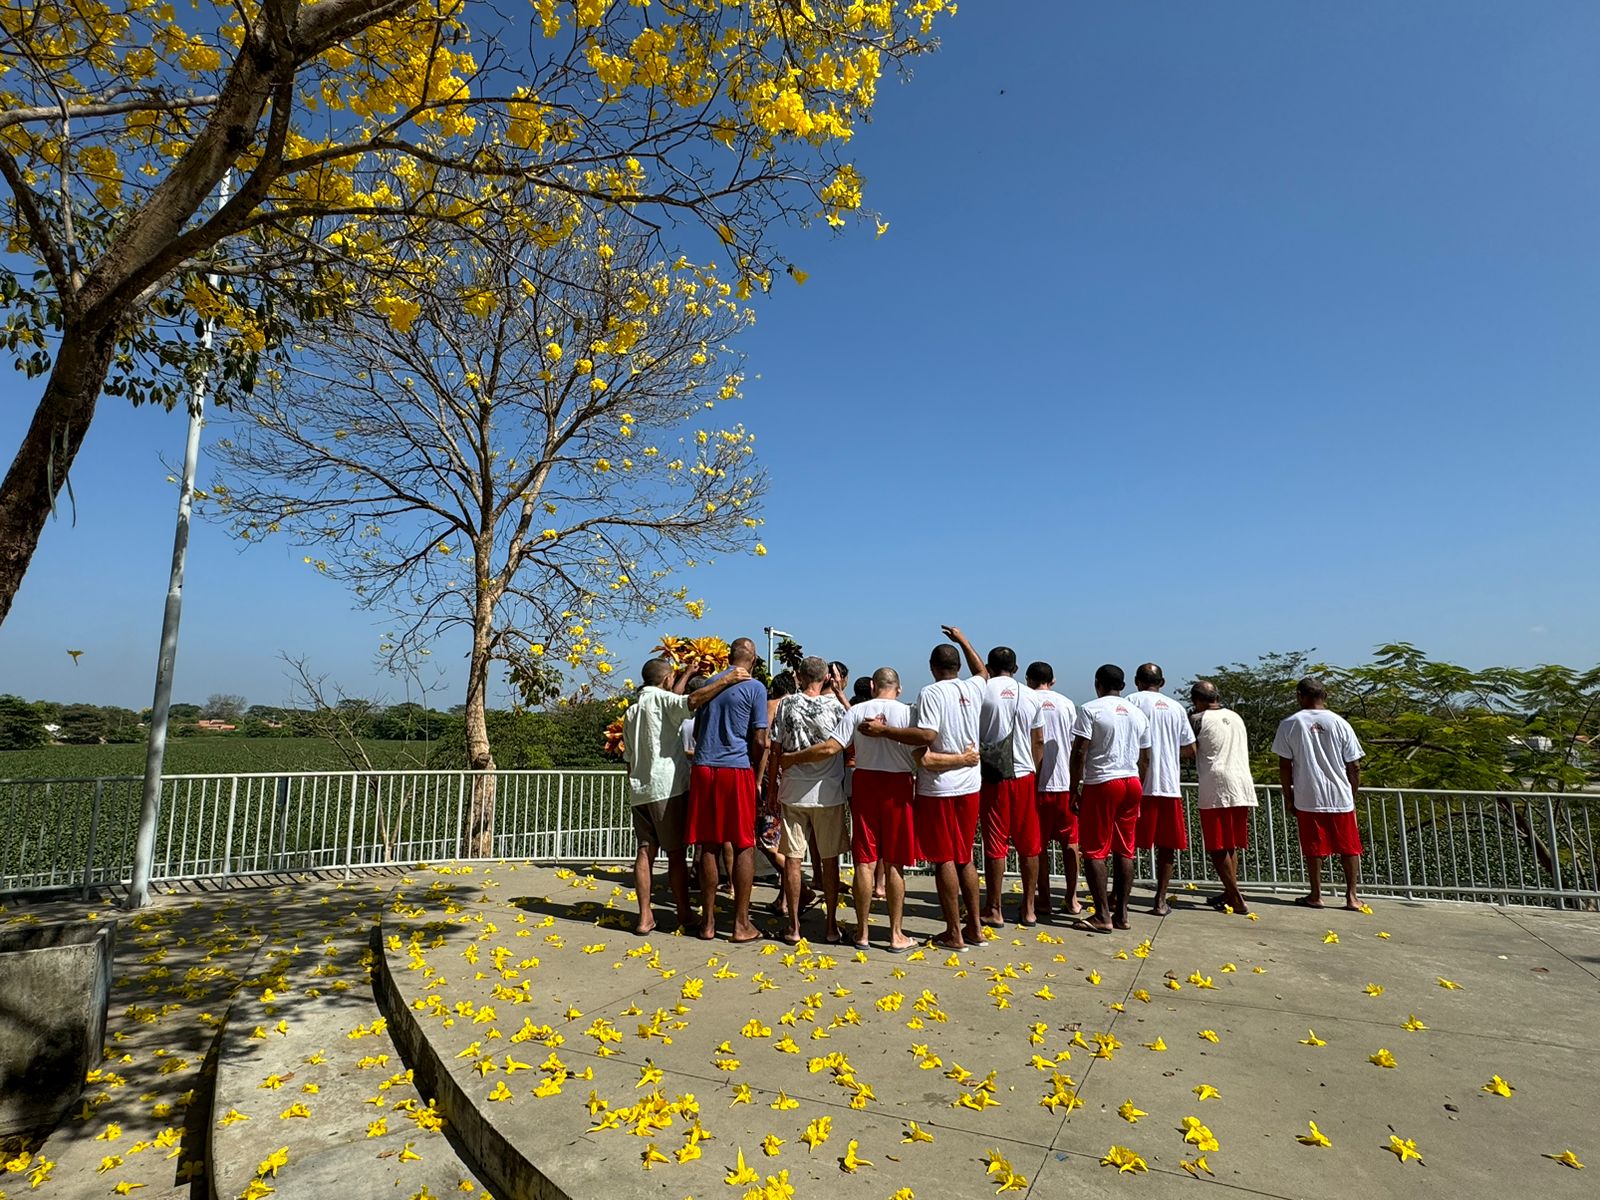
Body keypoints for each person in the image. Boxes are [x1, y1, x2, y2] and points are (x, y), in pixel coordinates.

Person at [860, 625, 986, 950]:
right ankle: (975, 927)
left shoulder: (931, 693)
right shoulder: (974, 688)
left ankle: (954, 933)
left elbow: (927, 736)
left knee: (944, 858)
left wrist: (884, 731)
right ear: (958, 666)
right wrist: (963, 640)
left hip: (940, 787)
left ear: (932, 668)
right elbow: (982, 671)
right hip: (971, 784)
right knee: (965, 857)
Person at [782, 666, 919, 952]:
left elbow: (832, 747)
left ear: (872, 685)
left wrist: (793, 758)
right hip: (898, 784)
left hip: (866, 782)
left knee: (864, 860)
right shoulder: (908, 713)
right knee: (894, 862)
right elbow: (921, 752)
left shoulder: (857, 712)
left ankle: (862, 932)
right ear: (899, 687)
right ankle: (896, 934)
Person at [621, 659, 747, 935]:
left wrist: (688, 672)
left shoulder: (631, 712)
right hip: (667, 787)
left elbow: (628, 758)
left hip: (639, 790)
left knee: (645, 851)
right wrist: (725, 680)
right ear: (666, 679)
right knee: (676, 854)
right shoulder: (665, 701)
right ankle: (683, 912)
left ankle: (644, 917)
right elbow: (691, 700)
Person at [686, 637, 770, 941]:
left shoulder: (709, 683)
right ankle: (741, 923)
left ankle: (707, 922)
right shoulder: (755, 688)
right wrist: (756, 773)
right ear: (754, 659)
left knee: (708, 844)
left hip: (704, 768)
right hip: (735, 769)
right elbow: (761, 739)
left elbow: (696, 731)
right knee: (744, 843)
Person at [768, 657, 850, 944]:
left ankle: (793, 926)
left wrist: (769, 792)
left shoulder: (786, 705)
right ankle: (830, 926)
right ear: (826, 677)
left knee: (793, 859)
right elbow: (850, 742)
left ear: (799, 676)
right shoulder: (836, 707)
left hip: (792, 790)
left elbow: (775, 749)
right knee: (830, 862)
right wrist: (840, 691)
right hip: (828, 792)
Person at [966, 637, 1045, 927]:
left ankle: (994, 907)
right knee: (1029, 844)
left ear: (988, 667)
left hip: (993, 776)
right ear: (1015, 667)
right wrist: (1034, 771)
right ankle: (1029, 908)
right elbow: (1039, 741)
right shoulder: (1031, 696)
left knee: (995, 843)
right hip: (1024, 775)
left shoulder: (982, 691)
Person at [1069, 665, 1151, 933]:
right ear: (1123, 686)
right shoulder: (1138, 714)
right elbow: (1145, 757)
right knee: (1125, 849)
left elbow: (1079, 751)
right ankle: (1123, 914)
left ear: (1097, 684)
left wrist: (1073, 788)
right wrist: (1140, 781)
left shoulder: (1091, 709)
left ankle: (1102, 914)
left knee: (1094, 850)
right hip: (1132, 781)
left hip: (1103, 782)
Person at [1272, 676, 1366, 911]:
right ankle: (1352, 896)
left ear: (1300, 696)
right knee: (1349, 847)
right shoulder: (1340, 723)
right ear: (1324, 696)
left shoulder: (1290, 723)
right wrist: (1351, 795)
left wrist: (1288, 796)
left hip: (1308, 796)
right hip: (1340, 797)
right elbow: (1354, 765)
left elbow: (1285, 765)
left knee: (1314, 848)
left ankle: (1316, 894)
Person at [1126, 663, 1197, 915]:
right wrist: (1166, 754)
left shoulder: (1131, 701)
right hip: (1168, 785)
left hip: (1137, 782)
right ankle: (1160, 899)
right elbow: (1190, 748)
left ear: (1136, 681)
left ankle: (1118, 897)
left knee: (1127, 844)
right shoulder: (1176, 708)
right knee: (1168, 846)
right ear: (1162, 682)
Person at [1190, 680, 1256, 915]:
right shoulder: (1236, 717)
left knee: (1217, 846)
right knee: (1230, 844)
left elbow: (1189, 750)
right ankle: (1230, 891)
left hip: (1216, 784)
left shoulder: (1198, 720)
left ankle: (1236, 897)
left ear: (1197, 701)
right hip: (1242, 783)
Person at [1027, 662, 1081, 919]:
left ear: (1028, 679)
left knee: (1039, 847)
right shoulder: (1067, 704)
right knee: (1071, 843)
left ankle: (1044, 898)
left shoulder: (1026, 700)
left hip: (1035, 784)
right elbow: (1074, 744)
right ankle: (1072, 898)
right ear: (1053, 680)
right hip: (1063, 782)